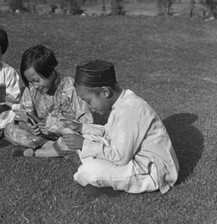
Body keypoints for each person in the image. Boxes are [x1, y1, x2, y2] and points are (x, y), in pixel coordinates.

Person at [62, 60, 179, 196]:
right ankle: (101, 174)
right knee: (84, 138)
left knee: (89, 171)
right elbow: (109, 132)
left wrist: (83, 144)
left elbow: (120, 157)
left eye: (89, 101)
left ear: (105, 92)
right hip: (131, 156)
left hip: (152, 170)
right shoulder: (121, 104)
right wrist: (81, 128)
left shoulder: (129, 110)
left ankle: (97, 180)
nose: (89, 107)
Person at [3, 44, 93, 158]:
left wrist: (55, 125)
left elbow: (87, 123)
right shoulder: (31, 89)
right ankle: (51, 147)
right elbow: (22, 118)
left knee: (79, 138)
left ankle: (41, 151)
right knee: (9, 129)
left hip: (67, 134)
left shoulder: (71, 88)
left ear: (49, 71)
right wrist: (29, 127)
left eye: (36, 80)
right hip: (42, 136)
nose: (34, 86)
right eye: (30, 82)